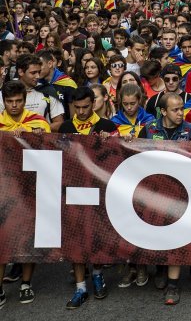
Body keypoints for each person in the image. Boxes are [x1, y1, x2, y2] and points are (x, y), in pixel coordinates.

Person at [136, 93, 191, 303]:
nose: (180, 113)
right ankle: (161, 268)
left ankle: (173, 286)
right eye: (175, 110)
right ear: (163, 111)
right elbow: (135, 156)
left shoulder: (190, 130)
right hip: (155, 193)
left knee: (176, 236)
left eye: (181, 109)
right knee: (158, 235)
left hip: (182, 194)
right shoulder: (148, 129)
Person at [61, 87, 118, 308]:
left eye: (86, 107)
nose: (82, 112)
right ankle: (80, 287)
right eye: (78, 108)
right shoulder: (65, 127)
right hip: (72, 189)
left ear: (94, 103)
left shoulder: (107, 126)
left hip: (99, 189)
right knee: (76, 237)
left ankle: (97, 273)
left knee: (97, 235)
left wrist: (110, 141)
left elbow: (120, 155)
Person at [0, 80, 49, 306]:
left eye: (18, 101)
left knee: (28, 238)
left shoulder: (38, 122)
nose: (14, 105)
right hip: (4, 189)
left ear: (25, 100)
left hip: (30, 188)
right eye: (9, 101)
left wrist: (29, 133)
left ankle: (26, 284)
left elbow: (48, 144)